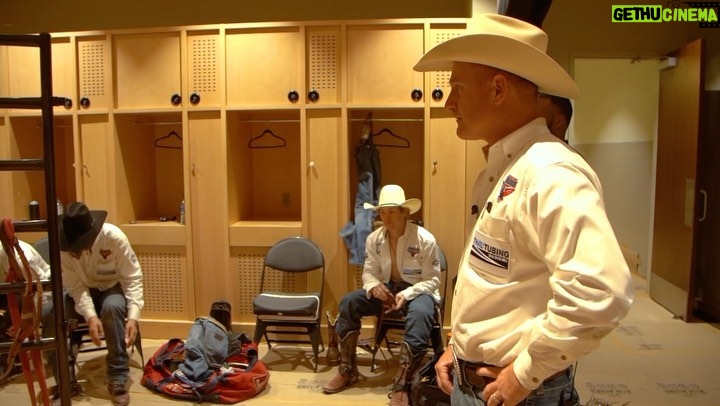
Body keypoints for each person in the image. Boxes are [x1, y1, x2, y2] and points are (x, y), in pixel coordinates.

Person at [413, 13, 634, 406]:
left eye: (457, 88)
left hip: (516, 394)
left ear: (498, 89)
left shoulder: (551, 171)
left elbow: (600, 290)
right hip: (472, 378)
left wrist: (526, 370)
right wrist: (457, 346)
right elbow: (496, 285)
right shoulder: (500, 170)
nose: (449, 103)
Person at [323, 184, 441, 406]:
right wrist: (373, 286)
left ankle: (404, 383)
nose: (385, 217)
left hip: (418, 292)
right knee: (349, 302)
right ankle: (348, 369)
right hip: (387, 289)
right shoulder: (374, 239)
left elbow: (433, 280)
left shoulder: (425, 239)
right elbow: (369, 273)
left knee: (421, 313)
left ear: (405, 212)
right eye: (382, 212)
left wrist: (407, 294)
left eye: (392, 212)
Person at [44, 202, 144, 406]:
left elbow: (132, 277)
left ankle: (117, 378)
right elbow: (75, 286)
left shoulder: (114, 238)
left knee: (113, 306)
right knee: (49, 312)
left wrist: (133, 316)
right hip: (82, 291)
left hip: (111, 288)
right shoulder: (63, 247)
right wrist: (90, 315)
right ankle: (65, 379)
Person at [0, 239, 52, 379]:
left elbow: (40, 290)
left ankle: (10, 361)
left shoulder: (20, 259)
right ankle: (9, 360)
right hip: (11, 289)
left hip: (40, 289)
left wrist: (26, 319)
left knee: (13, 323)